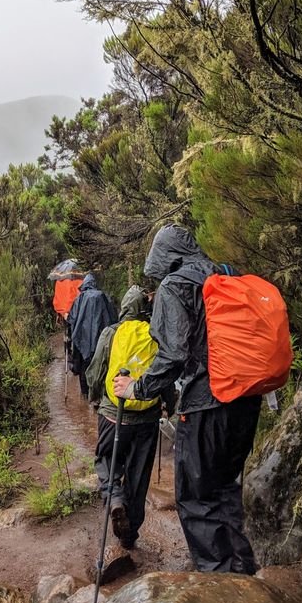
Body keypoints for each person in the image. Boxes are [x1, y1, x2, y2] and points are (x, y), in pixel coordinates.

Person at [113, 225, 261, 575]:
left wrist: (138, 389)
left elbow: (173, 354)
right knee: (225, 487)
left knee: (195, 496)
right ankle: (241, 570)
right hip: (247, 398)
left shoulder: (174, 286)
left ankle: (218, 582)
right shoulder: (227, 274)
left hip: (206, 402)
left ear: (164, 257)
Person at [86, 286, 176, 549]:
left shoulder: (111, 333)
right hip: (146, 419)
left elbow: (96, 371)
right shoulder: (155, 336)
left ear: (124, 307)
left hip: (113, 414)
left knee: (105, 459)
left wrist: (94, 396)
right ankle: (129, 536)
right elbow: (164, 375)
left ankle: (114, 499)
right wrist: (168, 404)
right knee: (138, 477)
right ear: (145, 310)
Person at [67, 273, 116, 396]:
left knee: (84, 365)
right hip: (100, 339)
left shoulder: (80, 298)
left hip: (83, 339)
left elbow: (72, 319)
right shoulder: (102, 296)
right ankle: (98, 394)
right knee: (101, 365)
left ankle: (85, 393)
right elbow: (113, 316)